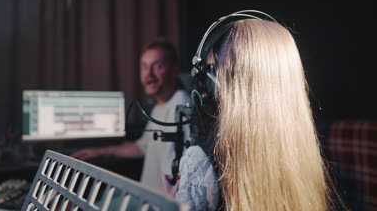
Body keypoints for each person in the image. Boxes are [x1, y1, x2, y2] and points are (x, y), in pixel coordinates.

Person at [175, 17, 338, 210]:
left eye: (211, 70)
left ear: (216, 82)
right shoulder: (305, 153)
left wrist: (175, 198)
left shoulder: (200, 161)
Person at [71, 38, 191, 194]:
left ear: (174, 70)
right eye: (144, 67)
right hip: (145, 195)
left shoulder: (180, 103)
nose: (149, 75)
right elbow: (142, 147)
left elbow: (175, 175)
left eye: (158, 66)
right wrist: (101, 152)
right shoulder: (160, 106)